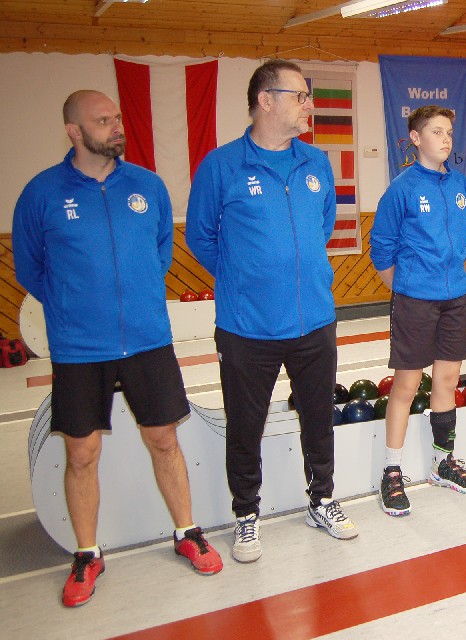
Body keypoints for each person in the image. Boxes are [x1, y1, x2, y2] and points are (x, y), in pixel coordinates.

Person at [13, 90, 222, 608]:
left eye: (116, 118)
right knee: (81, 453)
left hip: (147, 340)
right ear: (73, 131)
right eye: (102, 120)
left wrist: (135, 299)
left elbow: (159, 252)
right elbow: (29, 268)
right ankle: (87, 553)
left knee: (165, 440)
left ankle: (187, 532)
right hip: (80, 347)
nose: (115, 126)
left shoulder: (146, 187)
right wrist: (76, 307)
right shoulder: (41, 194)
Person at [186, 60, 356, 563]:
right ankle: (246, 514)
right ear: (266, 100)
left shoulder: (316, 163)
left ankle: (321, 500)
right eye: (300, 96)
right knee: (245, 425)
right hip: (247, 327)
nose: (309, 105)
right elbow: (200, 237)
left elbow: (322, 226)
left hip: (314, 321)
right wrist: (244, 275)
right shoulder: (221, 166)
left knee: (318, 418)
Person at [370, 105, 466, 516]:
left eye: (449, 132)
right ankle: (392, 470)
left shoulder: (460, 184)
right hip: (415, 298)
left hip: (453, 296)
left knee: (448, 378)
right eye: (437, 131)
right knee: (406, 383)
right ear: (416, 139)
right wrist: (405, 288)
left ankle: (442, 461)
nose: (447, 139)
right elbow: (381, 249)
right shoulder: (401, 189)